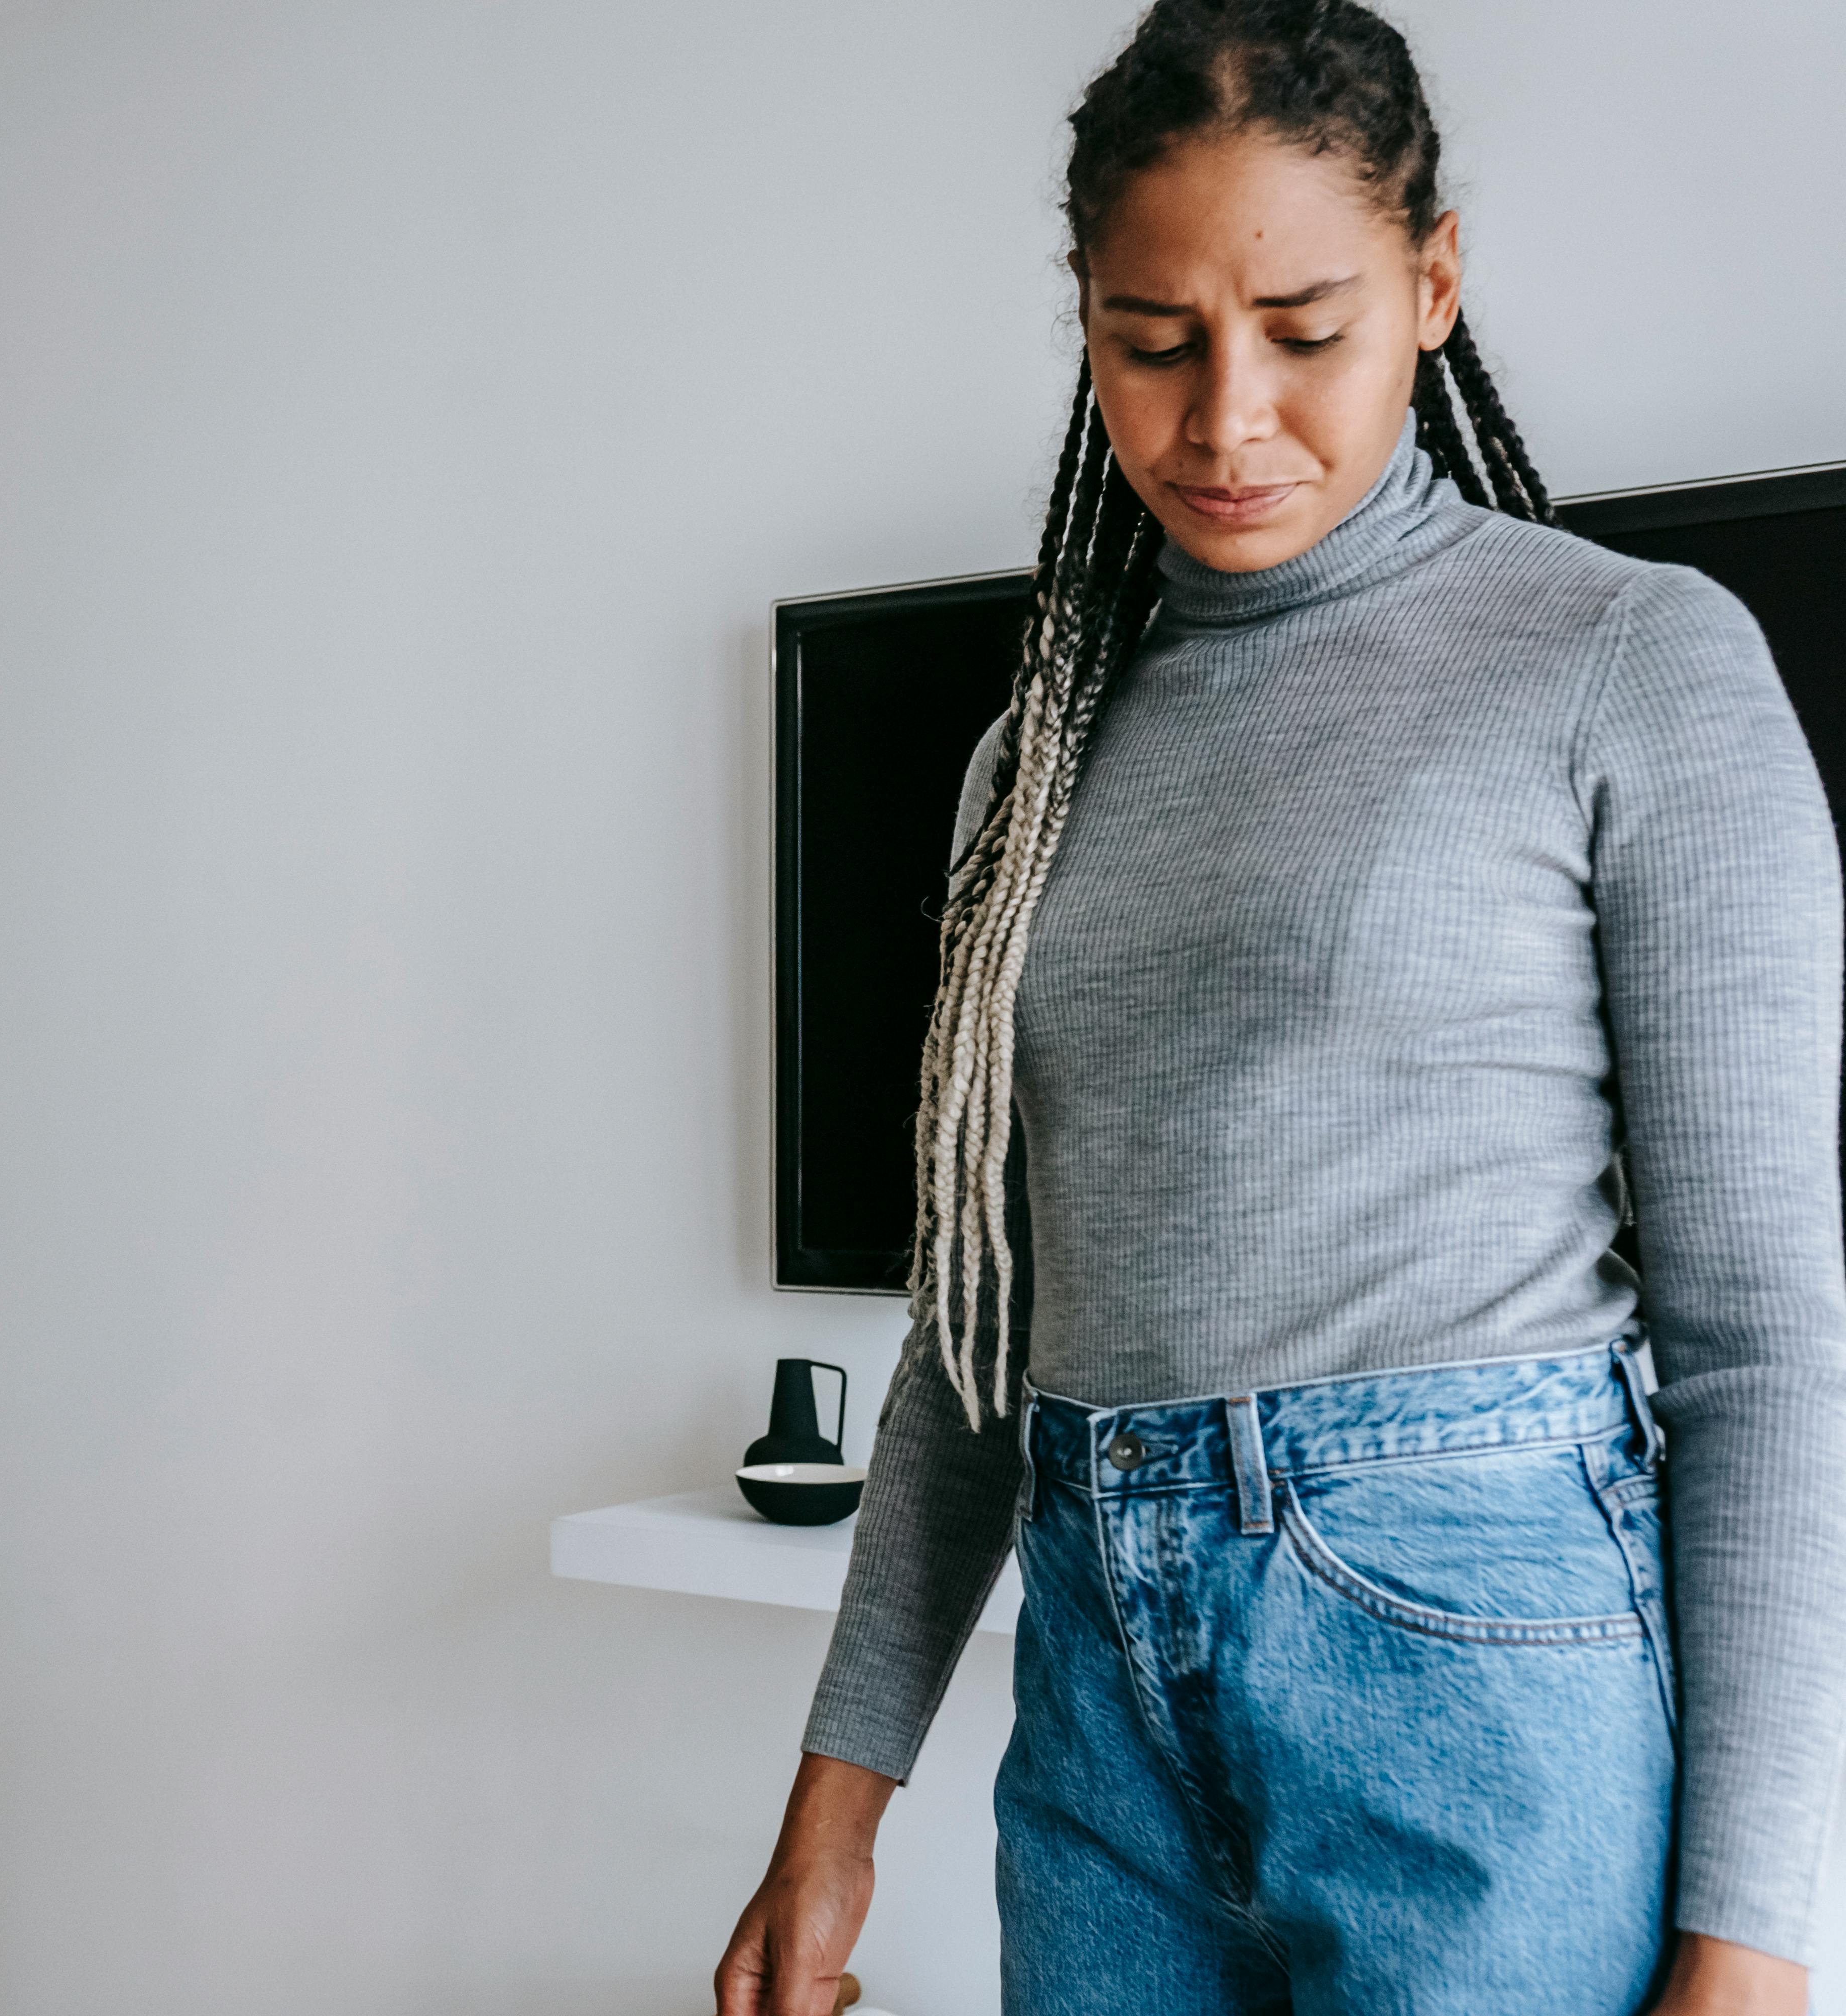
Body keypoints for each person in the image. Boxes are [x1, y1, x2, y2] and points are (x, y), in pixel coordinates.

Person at [717, 5, 1845, 2013]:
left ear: (1434, 279)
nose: (1229, 415)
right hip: (1099, 1719)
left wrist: (1756, 1937)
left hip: (1486, 1691)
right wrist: (836, 1811)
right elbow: (976, 1345)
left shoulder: (1629, 664)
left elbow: (1762, 1339)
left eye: (1306, 330)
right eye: (1155, 341)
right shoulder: (1037, 762)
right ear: (1086, 321)